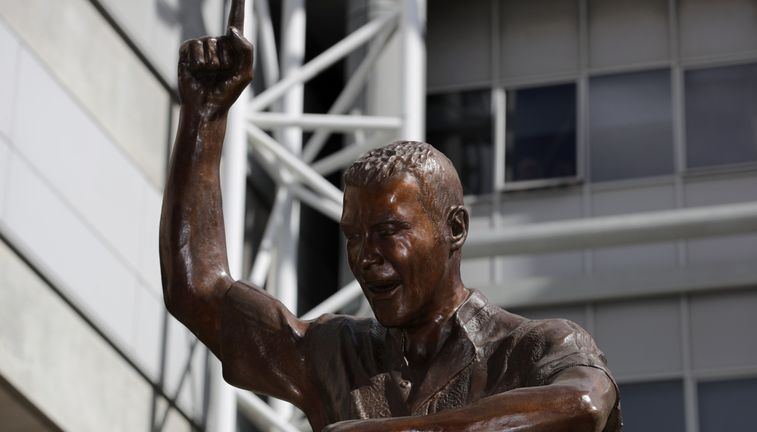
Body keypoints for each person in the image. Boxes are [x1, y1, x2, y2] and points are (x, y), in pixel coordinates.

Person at [160, 1, 622, 431]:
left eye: (387, 231)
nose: (365, 256)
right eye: (353, 236)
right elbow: (198, 289)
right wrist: (204, 117)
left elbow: (585, 405)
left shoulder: (530, 348)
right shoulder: (336, 356)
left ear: (454, 229)